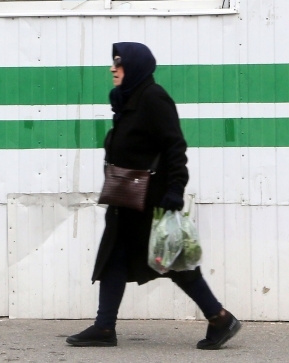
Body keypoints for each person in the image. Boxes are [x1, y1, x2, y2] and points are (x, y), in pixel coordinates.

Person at [66, 42, 241, 349]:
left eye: (118, 64)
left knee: (173, 261)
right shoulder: (128, 100)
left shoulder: (153, 98)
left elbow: (175, 146)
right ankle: (104, 327)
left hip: (150, 199)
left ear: (134, 67)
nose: (112, 69)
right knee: (114, 259)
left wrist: (175, 190)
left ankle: (220, 317)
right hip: (126, 199)